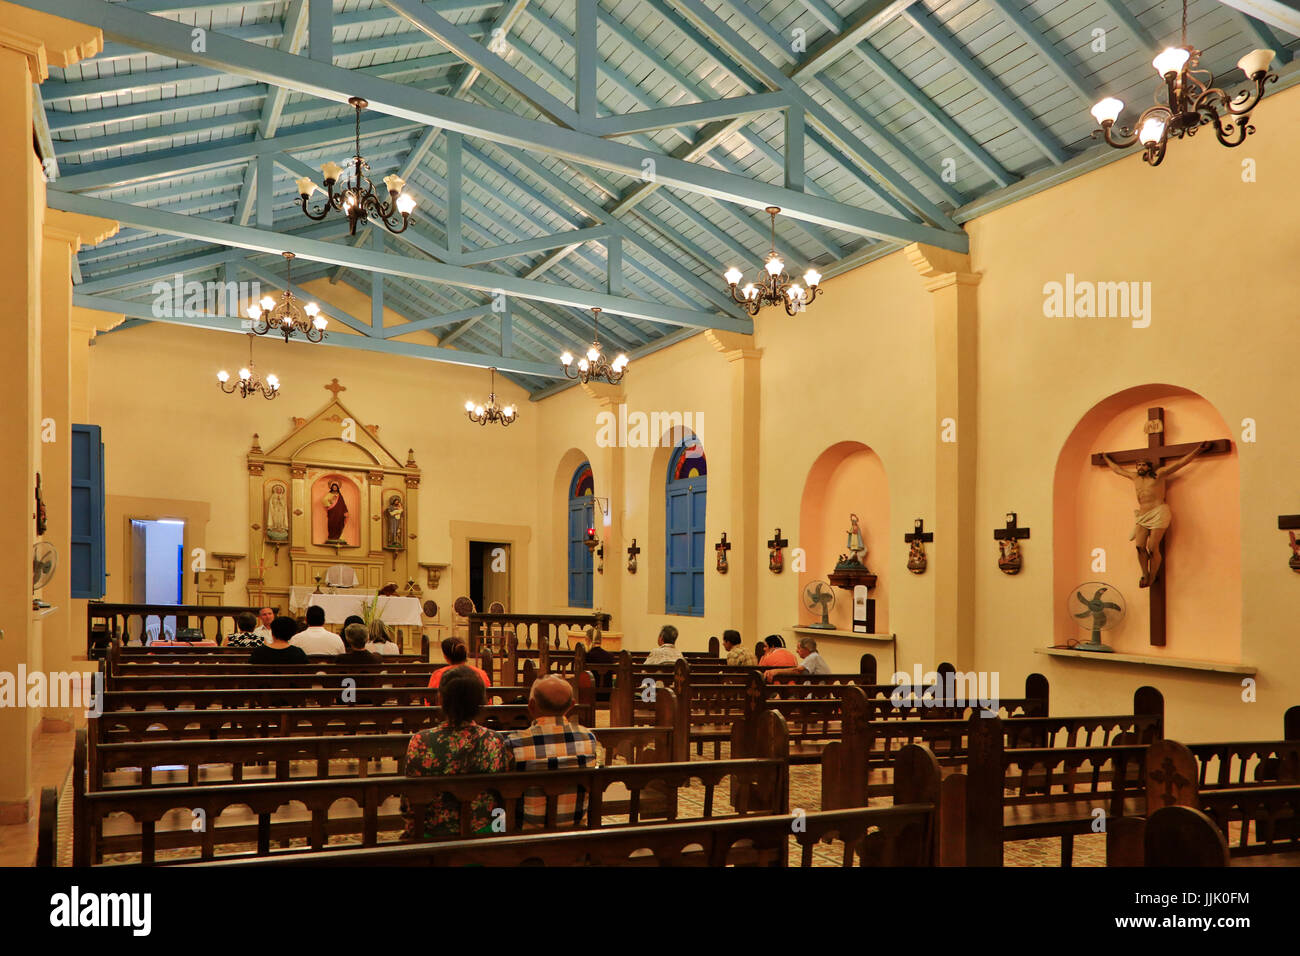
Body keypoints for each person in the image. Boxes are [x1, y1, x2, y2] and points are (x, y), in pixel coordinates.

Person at [402, 668, 509, 838]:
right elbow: (500, 791)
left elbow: (409, 793)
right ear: (481, 701)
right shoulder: (493, 740)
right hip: (484, 831)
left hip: (434, 831)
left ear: (441, 699)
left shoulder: (421, 740)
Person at [1102, 441, 1212, 588]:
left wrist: (1198, 450)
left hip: (1158, 512)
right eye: (1139, 465)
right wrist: (1106, 459)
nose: (1140, 467)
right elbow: (1117, 469)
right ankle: (1145, 573)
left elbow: (1181, 463)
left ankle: (1152, 576)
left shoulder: (1159, 475)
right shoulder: (1134, 477)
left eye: (1143, 465)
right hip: (1142, 515)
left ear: (1149, 467)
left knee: (1152, 547)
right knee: (1140, 547)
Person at [503, 675, 600, 830]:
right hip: (576, 833)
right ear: (572, 706)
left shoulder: (514, 743)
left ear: (531, 706)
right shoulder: (588, 738)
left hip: (526, 837)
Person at [427, 638, 491, 690]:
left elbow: (429, 700)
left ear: (445, 656)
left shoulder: (438, 675)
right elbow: (488, 701)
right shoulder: (480, 674)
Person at [765, 635, 831, 682]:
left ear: (807, 649)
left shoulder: (813, 657)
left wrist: (776, 671)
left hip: (817, 694)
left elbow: (797, 671)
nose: (796, 651)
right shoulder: (814, 657)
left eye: (799, 648)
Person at [583, 629, 616, 701]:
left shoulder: (587, 656)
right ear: (601, 640)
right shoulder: (610, 656)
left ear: (588, 639)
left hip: (591, 695)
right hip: (607, 695)